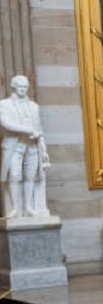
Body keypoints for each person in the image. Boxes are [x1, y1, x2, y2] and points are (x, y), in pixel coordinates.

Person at [0, 75, 50, 218]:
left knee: (31, 176)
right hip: (14, 146)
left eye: (25, 87)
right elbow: (6, 123)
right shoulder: (4, 104)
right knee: (14, 175)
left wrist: (44, 149)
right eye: (20, 86)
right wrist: (27, 130)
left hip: (33, 146)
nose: (22, 89)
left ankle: (28, 206)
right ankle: (15, 208)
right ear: (13, 87)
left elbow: (39, 129)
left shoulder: (34, 106)